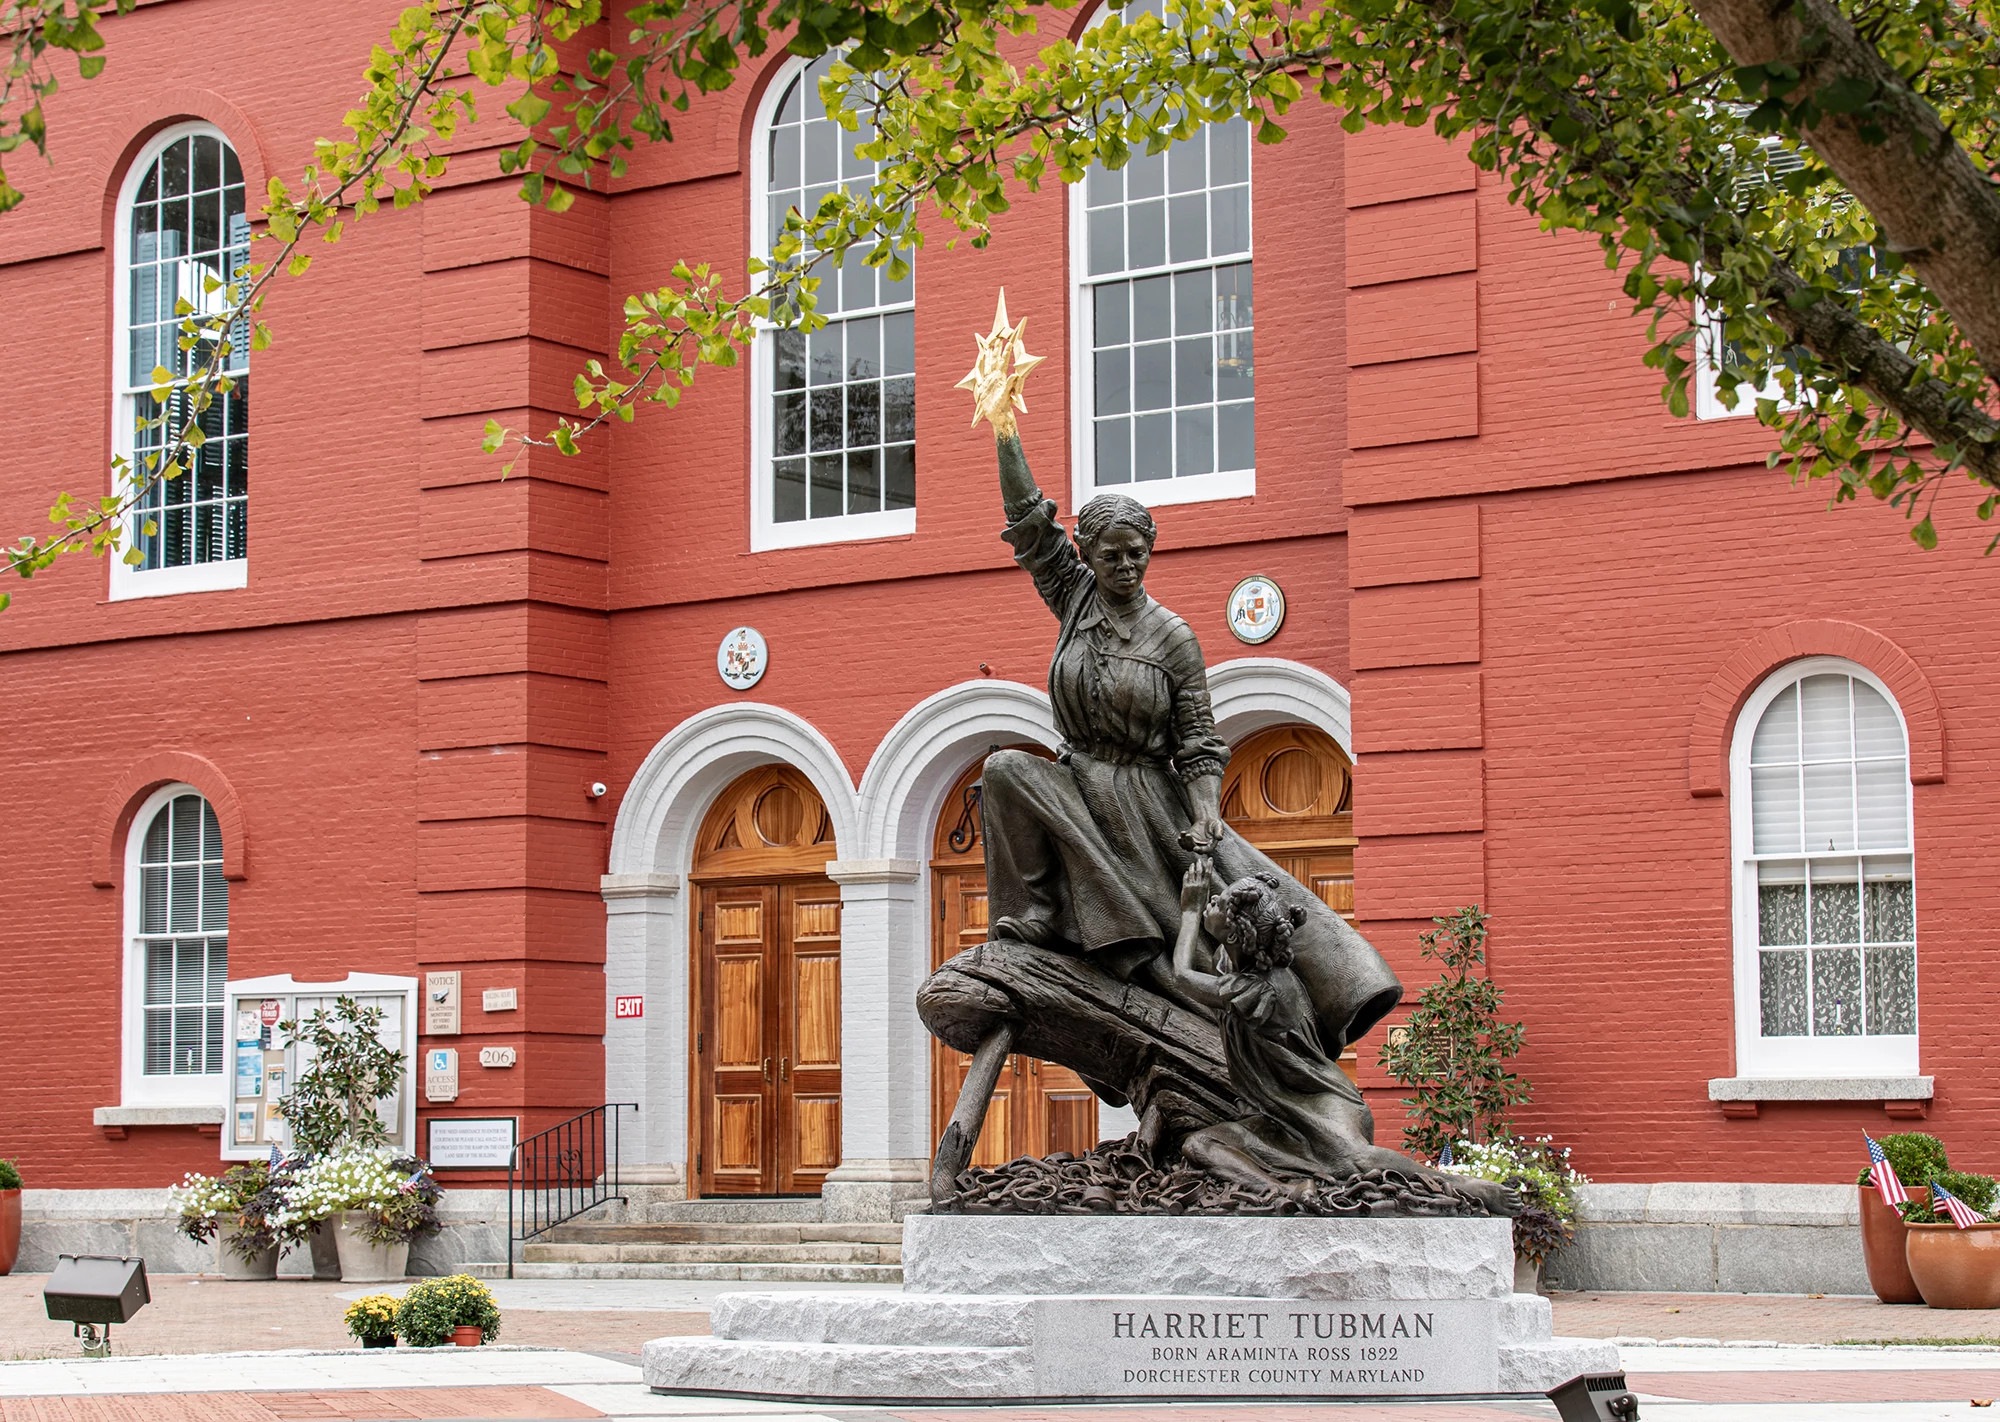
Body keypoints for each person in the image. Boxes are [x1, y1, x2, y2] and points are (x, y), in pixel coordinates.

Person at [1170, 861, 1519, 1214]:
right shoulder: (1229, 962)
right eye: (1213, 900)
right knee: (1201, 1145)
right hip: (1278, 1114)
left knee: (1353, 1160)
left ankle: (1466, 1187)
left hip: (1323, 1102)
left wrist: (1190, 910)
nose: (1211, 901)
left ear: (1233, 934)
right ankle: (1285, 1191)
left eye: (1219, 904)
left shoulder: (1259, 991)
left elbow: (1183, 977)